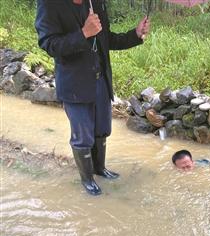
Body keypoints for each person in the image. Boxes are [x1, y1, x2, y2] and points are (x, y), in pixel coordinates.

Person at [35, 0, 150, 196]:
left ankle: (99, 169)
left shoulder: (95, 2)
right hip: (75, 84)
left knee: (102, 129)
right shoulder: (49, 4)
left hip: (100, 79)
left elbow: (107, 39)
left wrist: (135, 34)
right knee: (82, 137)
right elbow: (49, 44)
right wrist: (83, 34)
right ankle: (87, 179)